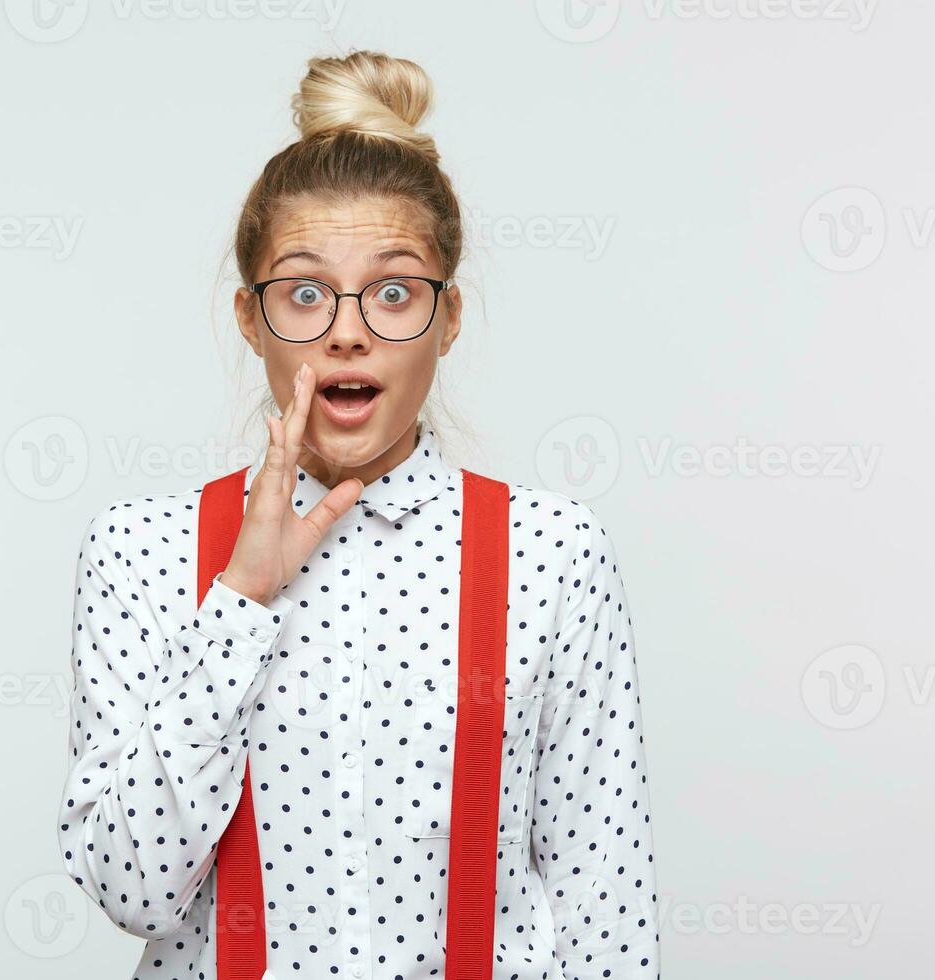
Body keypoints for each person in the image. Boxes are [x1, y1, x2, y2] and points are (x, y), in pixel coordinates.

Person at [57, 49, 658, 980]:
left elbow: (604, 904)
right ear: (249, 320)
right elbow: (133, 890)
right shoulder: (142, 551)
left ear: (449, 318)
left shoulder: (552, 553)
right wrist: (243, 597)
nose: (347, 329)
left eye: (393, 291)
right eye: (302, 292)